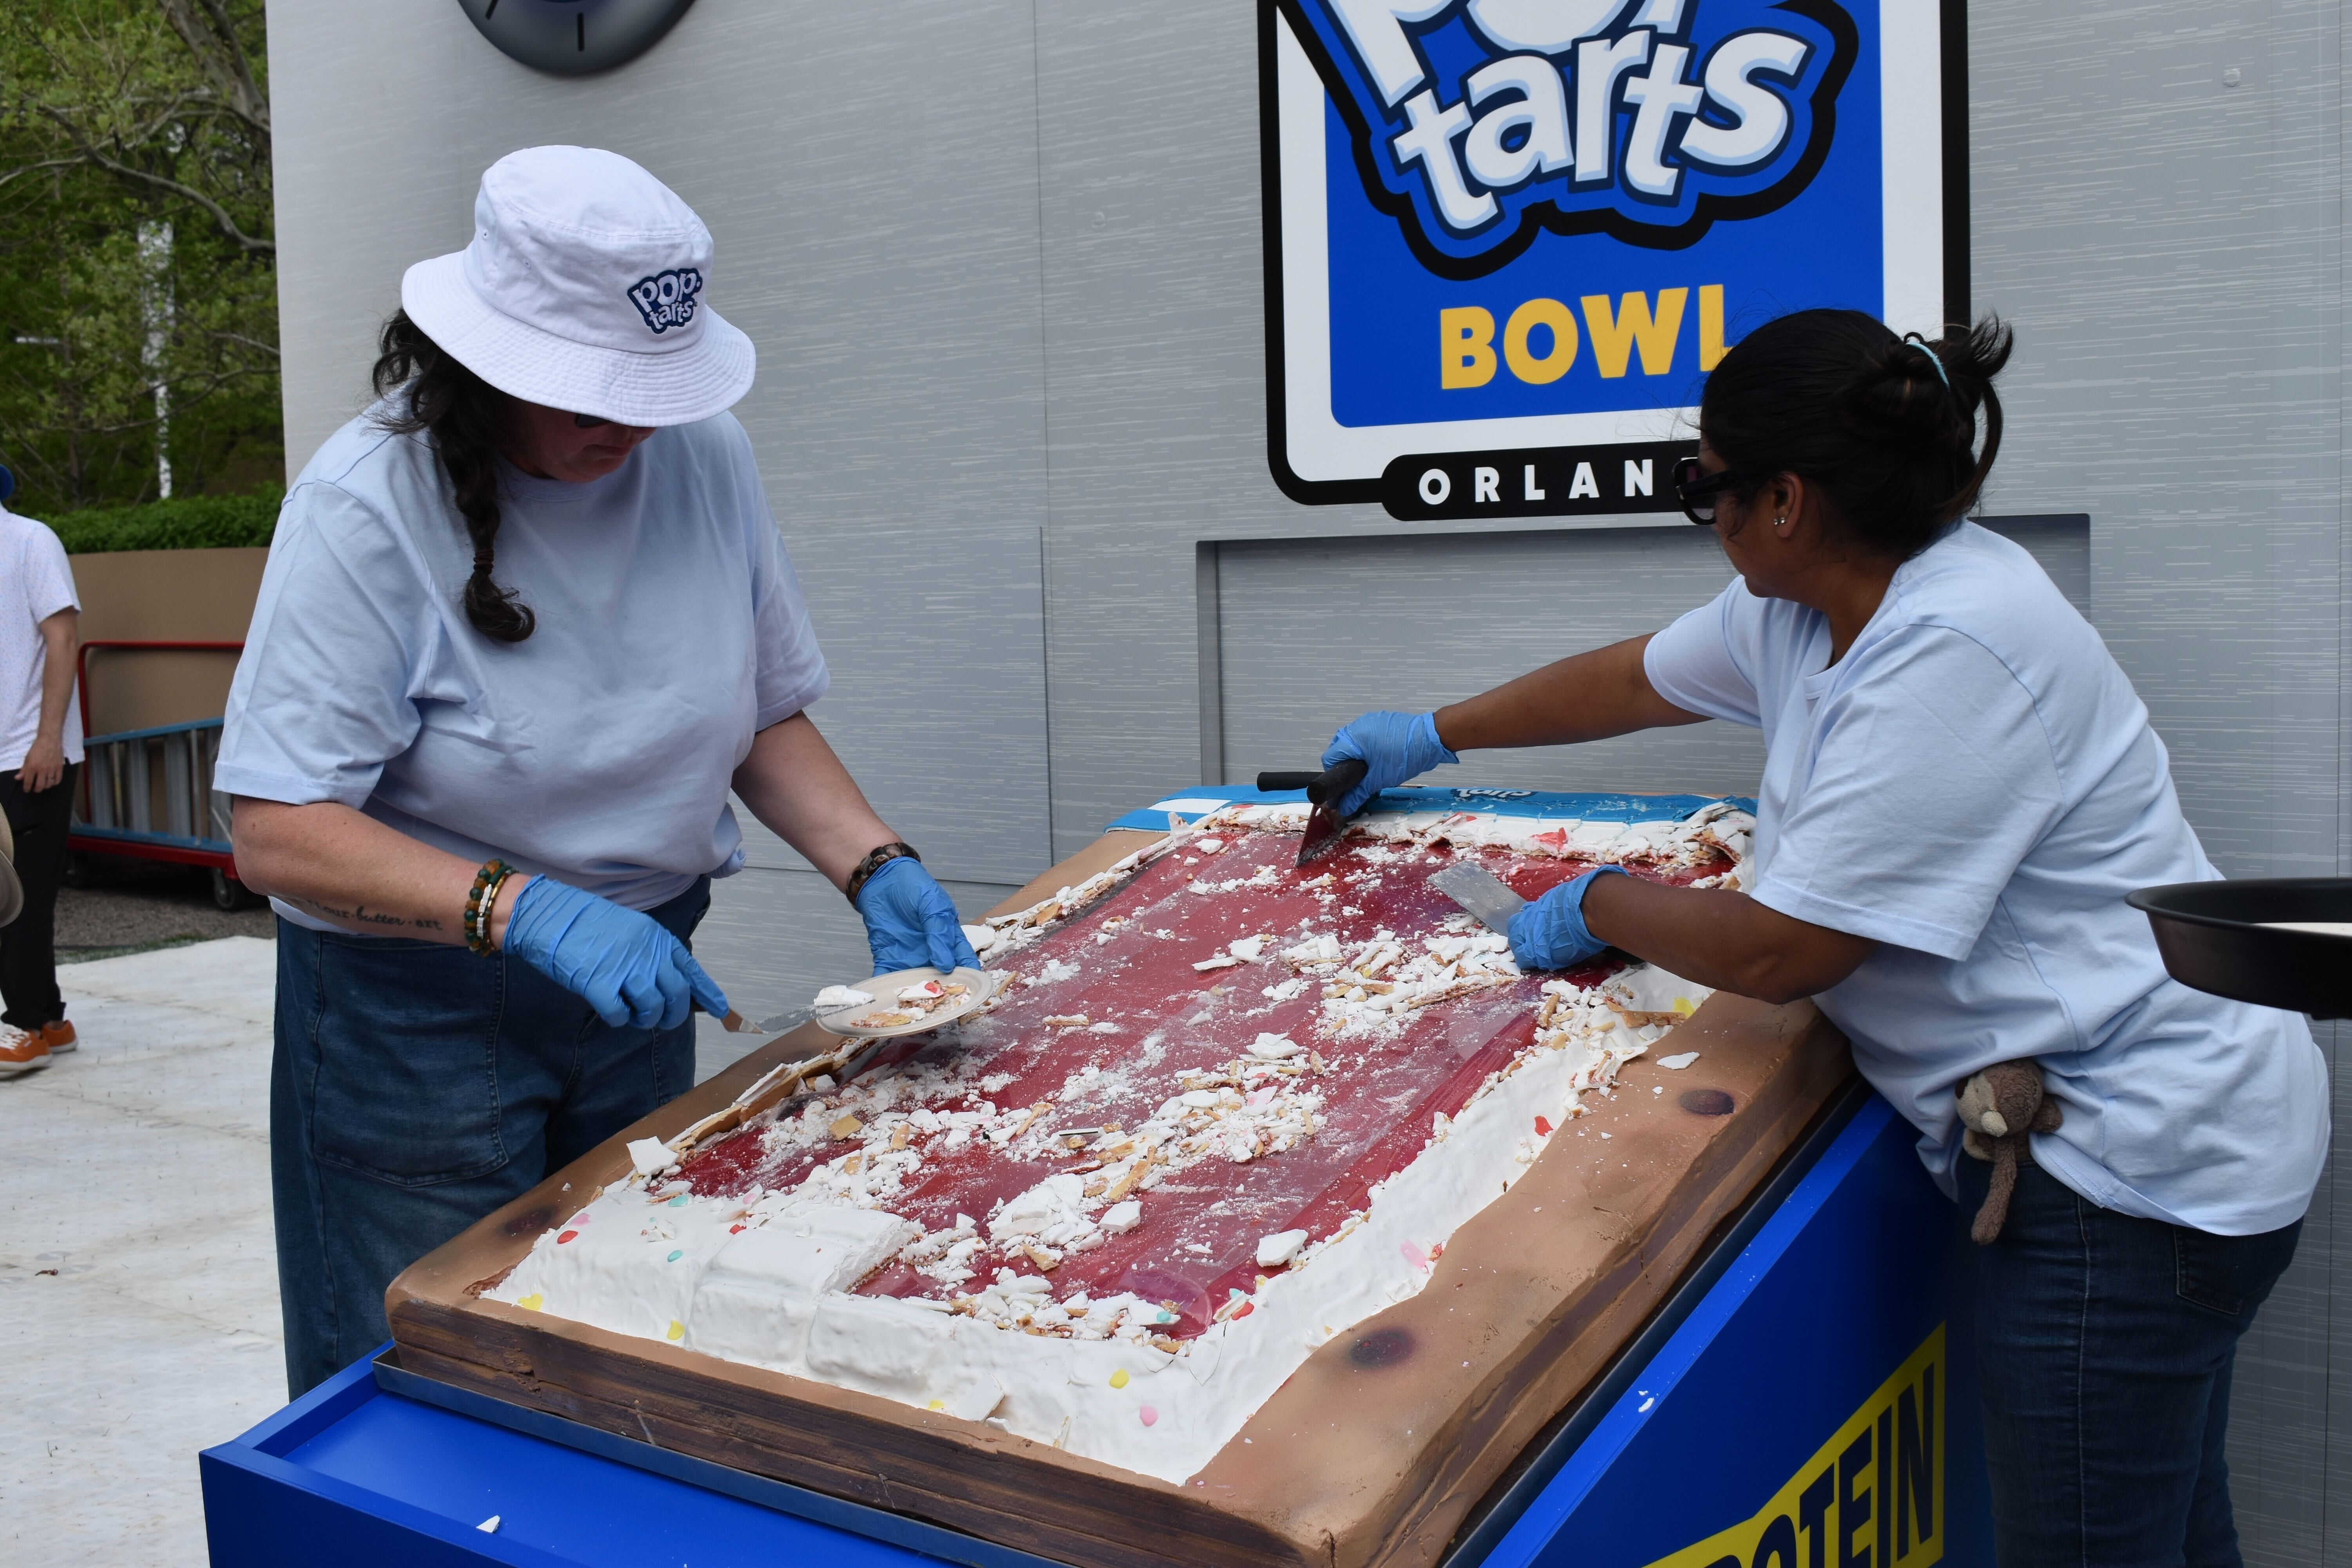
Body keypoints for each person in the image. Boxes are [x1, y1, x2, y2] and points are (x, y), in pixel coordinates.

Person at [1318, 310, 2324, 1565]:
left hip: (2133, 1170)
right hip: (2147, 1133)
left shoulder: (1953, 648)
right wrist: (1433, 729)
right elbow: (1633, 679)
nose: (1703, 510)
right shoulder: (1813, 601)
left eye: (1705, 487)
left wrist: (1600, 902)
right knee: (2166, 1531)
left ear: (1785, 501)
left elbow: (1784, 953)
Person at [220, 147, 978, 1395]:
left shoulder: (702, 456)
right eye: (586, 400)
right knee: (421, 1366)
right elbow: (278, 829)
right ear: (483, 366)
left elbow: (758, 714)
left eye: (649, 394)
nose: (624, 428)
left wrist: (874, 859)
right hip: (414, 1014)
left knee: (613, 1337)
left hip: (636, 985)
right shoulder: (366, 503)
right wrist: (519, 909)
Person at [0, 462, 84, 1078]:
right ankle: (50, 1017)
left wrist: (49, 739)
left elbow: (62, 638)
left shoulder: (30, 540)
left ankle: (24, 1027)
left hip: (31, 755)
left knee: (20, 898)